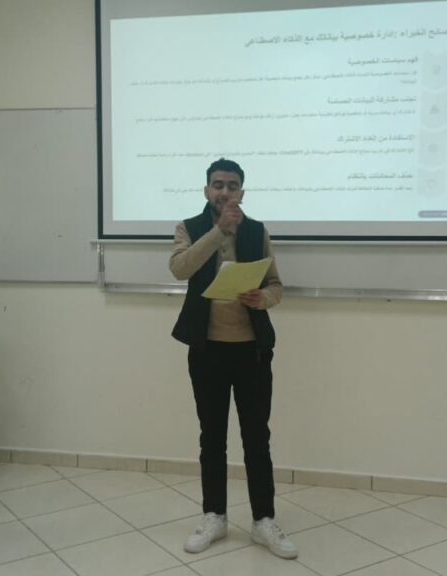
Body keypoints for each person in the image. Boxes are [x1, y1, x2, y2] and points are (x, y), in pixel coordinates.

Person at [169, 158, 297, 559]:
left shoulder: (257, 231)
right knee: (212, 437)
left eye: (232, 185)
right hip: (206, 349)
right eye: (218, 185)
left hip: (251, 351)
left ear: (242, 191)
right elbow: (180, 268)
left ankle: (263, 520)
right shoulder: (189, 227)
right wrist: (218, 231)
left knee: (257, 437)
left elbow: (276, 285)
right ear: (206, 190)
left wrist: (264, 298)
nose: (225, 192)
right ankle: (215, 516)